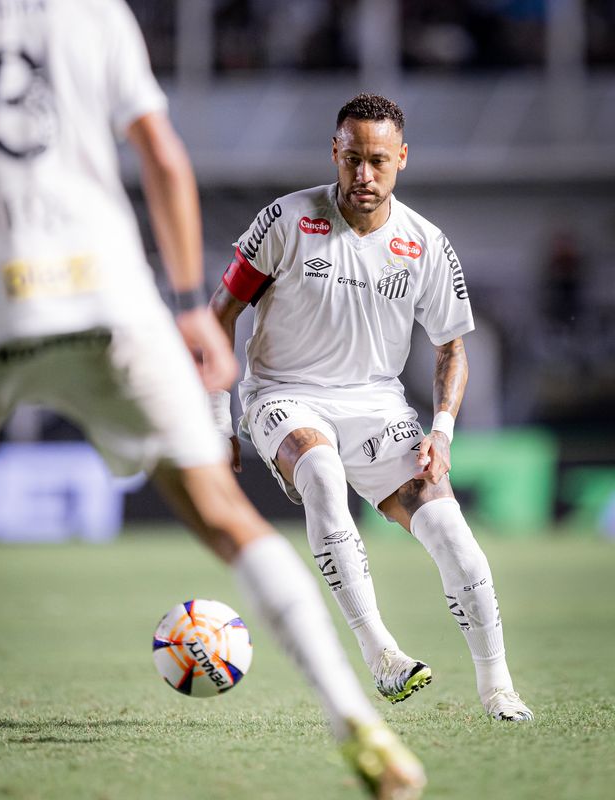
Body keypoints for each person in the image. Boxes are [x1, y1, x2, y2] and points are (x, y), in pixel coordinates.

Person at [0, 5, 426, 799]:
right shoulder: (96, 13)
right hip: (108, 295)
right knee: (224, 514)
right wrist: (189, 307)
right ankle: (356, 719)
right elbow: (161, 153)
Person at [210, 92, 533, 723]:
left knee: (452, 535)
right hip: (283, 393)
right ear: (334, 152)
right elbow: (219, 316)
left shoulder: (425, 244)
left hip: (378, 404)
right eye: (352, 158)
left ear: (402, 158)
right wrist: (216, 418)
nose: (363, 174)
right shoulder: (287, 220)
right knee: (322, 473)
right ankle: (380, 652)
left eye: (378, 161)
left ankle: (498, 689)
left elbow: (451, 349)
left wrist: (442, 431)